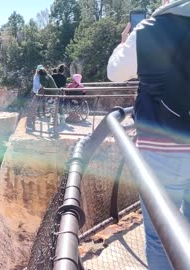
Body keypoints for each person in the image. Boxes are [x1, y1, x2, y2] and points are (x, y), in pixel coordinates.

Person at [107, 1, 190, 269]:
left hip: (161, 147)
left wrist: (124, 42)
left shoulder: (148, 29)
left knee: (159, 237)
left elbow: (115, 73)